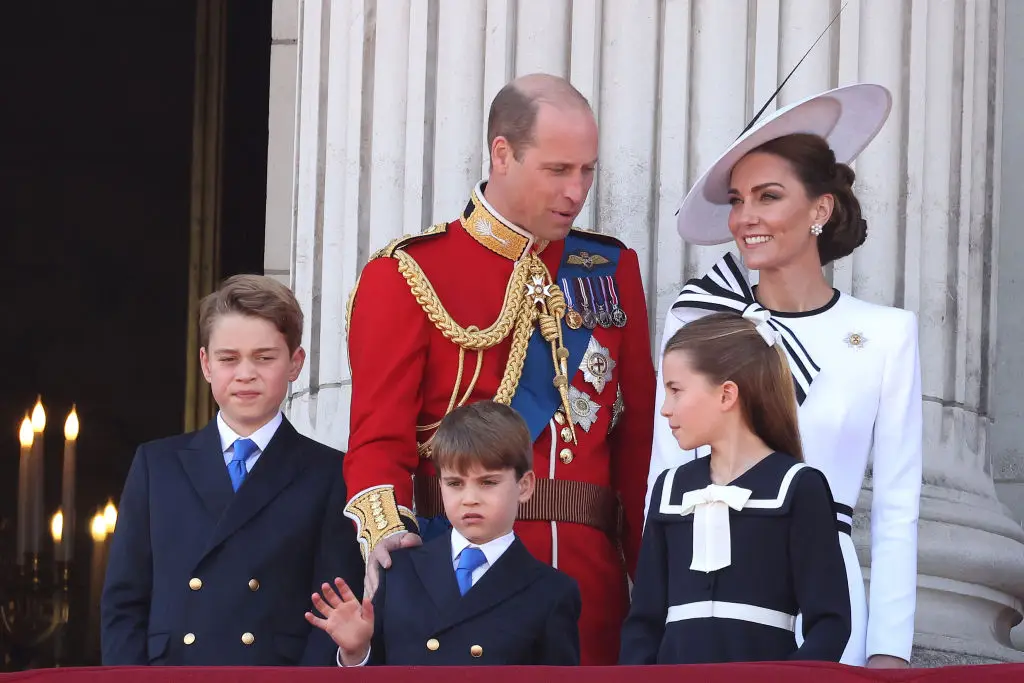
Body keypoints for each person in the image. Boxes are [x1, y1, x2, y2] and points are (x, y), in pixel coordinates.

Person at [343, 73, 655, 665]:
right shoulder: (409, 273)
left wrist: (652, 590)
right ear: (502, 154)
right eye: (558, 170)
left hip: (593, 594)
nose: (576, 190)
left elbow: (636, 446)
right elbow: (377, 441)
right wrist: (390, 541)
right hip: (461, 588)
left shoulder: (609, 269)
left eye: (587, 170)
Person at [646, 83, 922, 668]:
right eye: (739, 200)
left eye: (768, 197)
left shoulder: (886, 333)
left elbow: (898, 506)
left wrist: (889, 649)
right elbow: (666, 475)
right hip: (707, 593)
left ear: (819, 209)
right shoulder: (702, 319)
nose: (746, 217)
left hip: (826, 596)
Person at [101, 275, 365, 666]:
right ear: (206, 364)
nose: (245, 373)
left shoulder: (330, 472)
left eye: (264, 357)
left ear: (295, 364)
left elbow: (332, 610)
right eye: (228, 358)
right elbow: (124, 604)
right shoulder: (156, 465)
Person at [621, 312, 851, 664]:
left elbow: (830, 624)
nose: (665, 410)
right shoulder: (671, 490)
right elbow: (644, 622)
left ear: (727, 394)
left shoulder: (797, 487)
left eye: (675, 391)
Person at [308, 401, 581, 666]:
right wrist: (356, 654)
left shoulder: (550, 592)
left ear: (524, 486)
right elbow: (378, 668)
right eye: (455, 484)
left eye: (488, 482)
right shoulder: (399, 571)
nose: (469, 499)